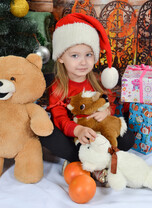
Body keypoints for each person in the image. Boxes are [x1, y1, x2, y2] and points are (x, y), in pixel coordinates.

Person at [40, 13, 135, 183]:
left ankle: (95, 156)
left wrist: (106, 112)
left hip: (97, 132)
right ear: (61, 57)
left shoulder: (96, 80)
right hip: (73, 133)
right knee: (48, 135)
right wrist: (77, 130)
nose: (83, 62)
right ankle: (86, 158)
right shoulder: (58, 86)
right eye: (75, 55)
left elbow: (108, 103)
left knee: (128, 138)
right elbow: (59, 117)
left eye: (88, 55)